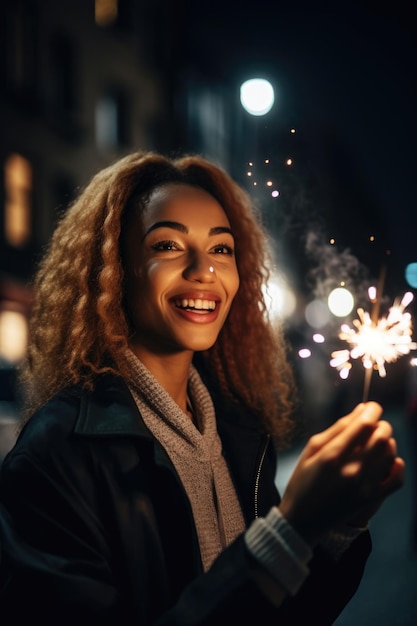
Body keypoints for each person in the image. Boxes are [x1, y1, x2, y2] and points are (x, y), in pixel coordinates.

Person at [0, 151, 405, 625]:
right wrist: (288, 532)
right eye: (168, 246)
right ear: (113, 268)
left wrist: (335, 527)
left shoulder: (238, 431)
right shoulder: (55, 457)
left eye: (221, 249)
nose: (203, 270)